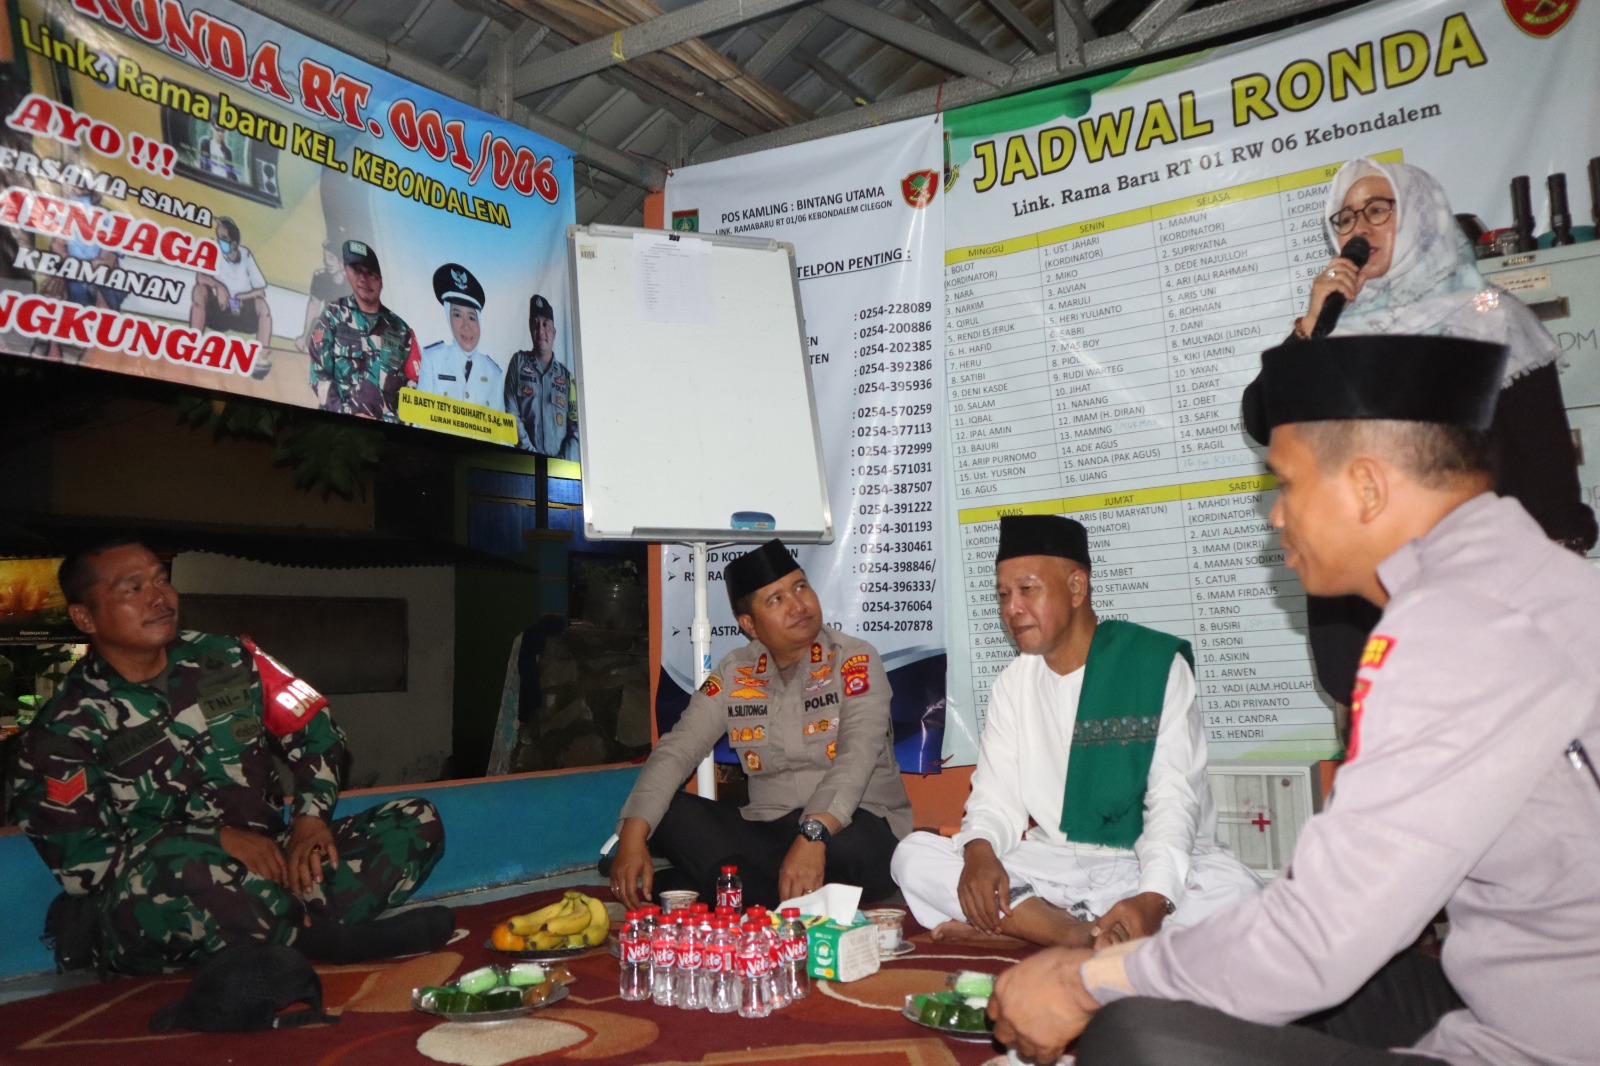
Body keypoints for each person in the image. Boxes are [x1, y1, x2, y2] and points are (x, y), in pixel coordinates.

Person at [986, 334, 1600, 1066]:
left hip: (1549, 1045)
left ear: (1366, 486)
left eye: (1286, 483)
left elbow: (1315, 939)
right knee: (1229, 975)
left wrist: (1083, 982)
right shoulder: (1531, 579)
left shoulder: (1455, 633)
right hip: (1512, 1003)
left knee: (1135, 1030)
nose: (1276, 516)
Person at [11, 540, 454, 975]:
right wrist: (216, 840)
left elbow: (315, 731)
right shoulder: (61, 730)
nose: (159, 597)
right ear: (84, 617)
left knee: (414, 821)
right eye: (133, 588)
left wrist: (309, 819)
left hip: (268, 864)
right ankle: (323, 940)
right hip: (157, 898)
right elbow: (84, 866)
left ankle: (271, 928)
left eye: (161, 580)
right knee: (190, 873)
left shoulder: (227, 658)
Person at [1288, 157, 1595, 708]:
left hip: (1475, 604)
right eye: (1345, 217)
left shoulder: (1490, 319)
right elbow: (1265, 417)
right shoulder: (1330, 331)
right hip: (1360, 614)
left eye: (1377, 210)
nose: (1359, 228)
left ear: (1420, 215)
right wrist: (1311, 330)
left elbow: (1545, 467)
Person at [891, 515, 1260, 949]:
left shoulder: (1153, 666)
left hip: (1143, 862)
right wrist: (979, 852)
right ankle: (1073, 933)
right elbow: (995, 800)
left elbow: (1173, 801)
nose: (1012, 608)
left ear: (1076, 588)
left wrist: (1153, 897)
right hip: (1057, 861)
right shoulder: (1014, 683)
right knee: (912, 855)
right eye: (1004, 594)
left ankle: (1025, 926)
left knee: (1239, 896)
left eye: (1027, 589)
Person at [609, 539, 912, 909]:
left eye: (800, 587)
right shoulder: (735, 672)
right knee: (668, 814)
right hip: (769, 831)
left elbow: (857, 754)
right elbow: (679, 748)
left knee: (851, 849)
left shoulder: (855, 659)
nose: (797, 605)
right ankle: (752, 889)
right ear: (749, 624)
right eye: (776, 599)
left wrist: (813, 834)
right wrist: (632, 836)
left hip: (852, 827)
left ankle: (721, 887)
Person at [307, 240, 420, 422]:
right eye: (357, 271)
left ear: (381, 281)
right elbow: (319, 374)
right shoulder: (333, 316)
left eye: (371, 274)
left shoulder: (402, 330)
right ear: (346, 271)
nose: (363, 279)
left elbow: (415, 390)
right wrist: (345, 413)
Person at [417, 263, 505, 409]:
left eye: (471, 317)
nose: (466, 326)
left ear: (479, 322)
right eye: (457, 315)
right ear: (448, 318)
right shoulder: (432, 360)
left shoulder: (494, 374)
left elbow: (498, 422)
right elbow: (420, 417)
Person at [503, 294, 578, 459]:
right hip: (525, 462)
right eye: (535, 323)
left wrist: (562, 461)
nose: (540, 330)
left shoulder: (567, 378)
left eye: (545, 324)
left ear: (554, 332)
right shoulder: (518, 363)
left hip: (559, 467)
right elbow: (511, 414)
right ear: (530, 329)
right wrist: (531, 456)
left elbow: (575, 427)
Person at [191, 217, 272, 348]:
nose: (219, 241)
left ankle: (262, 353)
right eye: (218, 237)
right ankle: (193, 342)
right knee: (199, 291)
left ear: (234, 244)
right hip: (219, 310)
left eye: (223, 238)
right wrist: (219, 287)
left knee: (262, 306)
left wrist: (240, 298)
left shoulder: (245, 255)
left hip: (242, 313)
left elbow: (261, 291)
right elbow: (200, 277)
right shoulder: (213, 250)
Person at [297, 240, 350, 353]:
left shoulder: (353, 283)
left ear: (341, 261)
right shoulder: (321, 277)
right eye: (325, 257)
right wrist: (304, 336)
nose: (327, 262)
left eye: (331, 258)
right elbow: (314, 305)